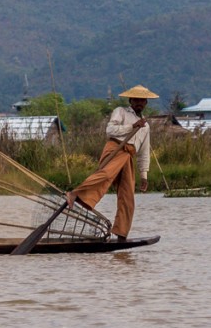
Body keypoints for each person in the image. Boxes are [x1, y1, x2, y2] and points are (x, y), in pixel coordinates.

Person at [65, 85, 158, 240]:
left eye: (142, 101)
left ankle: (121, 234)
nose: (139, 103)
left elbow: (143, 152)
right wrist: (131, 126)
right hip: (115, 148)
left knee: (128, 196)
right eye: (136, 100)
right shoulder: (120, 111)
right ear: (130, 100)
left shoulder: (145, 125)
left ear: (146, 103)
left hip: (128, 155)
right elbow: (110, 130)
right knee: (106, 174)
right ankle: (75, 193)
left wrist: (144, 175)